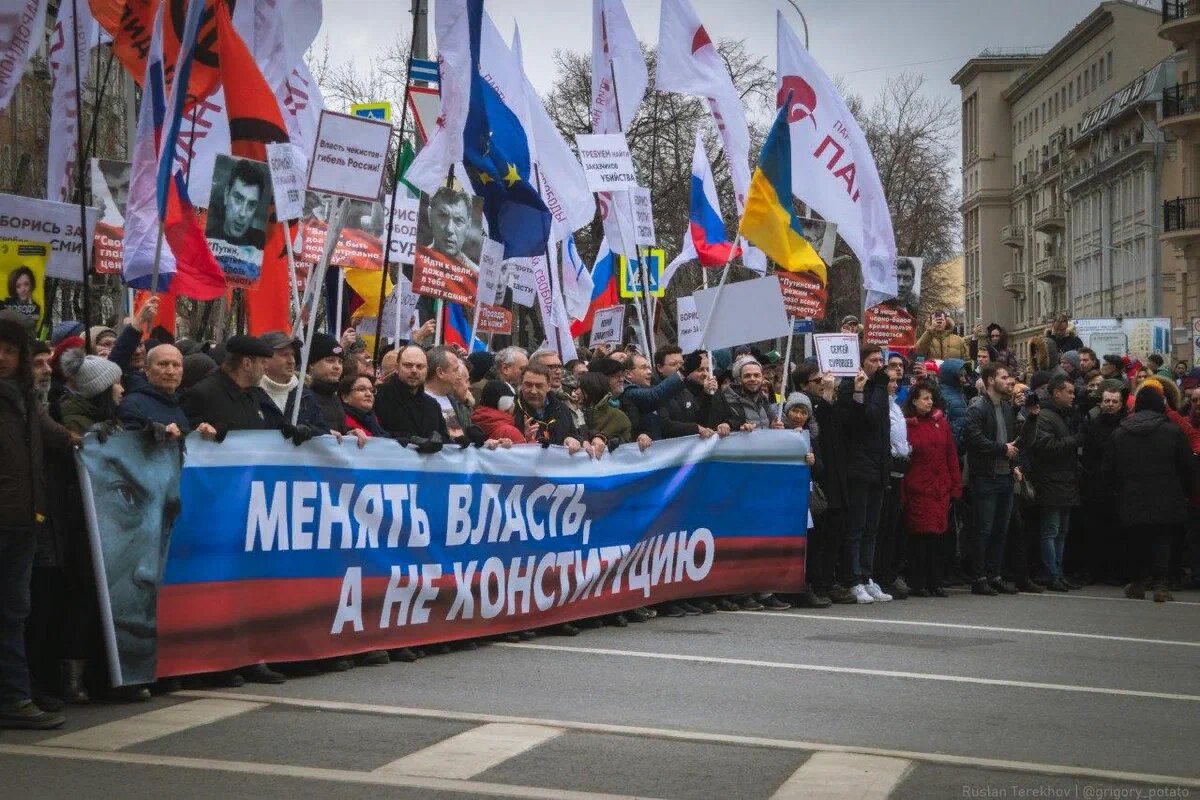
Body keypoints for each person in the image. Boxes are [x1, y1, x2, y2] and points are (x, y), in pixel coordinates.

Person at [0, 313, 73, 730]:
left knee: (13, 614)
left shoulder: (26, 399)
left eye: (11, 350)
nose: (2, 357)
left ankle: (14, 696)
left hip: (23, 524)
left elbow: (57, 435)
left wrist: (96, 439)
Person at [1104, 384, 1192, 603]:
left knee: (1135, 539)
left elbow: (1108, 469)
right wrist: (1186, 492)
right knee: (1162, 539)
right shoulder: (1173, 431)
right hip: (1167, 495)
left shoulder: (1120, 433)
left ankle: (1136, 582)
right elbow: (1186, 467)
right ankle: (1161, 584)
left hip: (1130, 495)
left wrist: (1115, 492)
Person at [837, 345, 893, 603]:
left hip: (878, 465)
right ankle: (854, 579)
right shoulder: (852, 388)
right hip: (859, 467)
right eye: (873, 360)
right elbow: (868, 418)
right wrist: (877, 387)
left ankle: (868, 576)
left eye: (880, 360)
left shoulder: (879, 390)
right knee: (857, 528)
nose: (879, 365)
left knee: (872, 528)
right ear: (861, 363)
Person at [962, 363, 1022, 595]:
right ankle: (979, 577)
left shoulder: (1006, 407)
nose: (1009, 381)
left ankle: (994, 575)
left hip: (1005, 476)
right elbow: (973, 439)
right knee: (983, 529)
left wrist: (1015, 464)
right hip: (985, 477)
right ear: (989, 380)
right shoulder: (977, 406)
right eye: (1004, 377)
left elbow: (1013, 442)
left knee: (1000, 529)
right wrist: (1001, 449)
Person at [902, 384, 961, 597]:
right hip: (918, 487)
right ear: (914, 401)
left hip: (940, 488)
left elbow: (950, 454)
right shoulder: (908, 425)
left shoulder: (940, 423)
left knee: (938, 538)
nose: (929, 402)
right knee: (920, 537)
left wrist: (955, 484)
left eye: (931, 399)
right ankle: (919, 582)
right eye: (925, 398)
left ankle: (936, 581)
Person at [1029, 373, 1082, 592]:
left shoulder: (1062, 415)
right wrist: (1074, 440)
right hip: (1051, 481)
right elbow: (1045, 447)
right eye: (1069, 392)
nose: (1072, 396)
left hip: (1064, 481)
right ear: (1056, 392)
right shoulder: (1046, 416)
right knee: (1051, 530)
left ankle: (1058, 571)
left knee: (1061, 531)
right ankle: (1051, 572)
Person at [180, 335, 274, 438]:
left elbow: (267, 425)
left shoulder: (255, 394)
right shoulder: (202, 394)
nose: (266, 368)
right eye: (263, 362)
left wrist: (283, 431)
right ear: (247, 364)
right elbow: (184, 437)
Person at [1079, 386, 1126, 585]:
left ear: (1121, 404)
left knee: (1117, 532)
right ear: (1101, 402)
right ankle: (1095, 571)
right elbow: (1087, 455)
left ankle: (1115, 572)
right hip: (1096, 485)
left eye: (1114, 401)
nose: (1110, 405)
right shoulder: (1092, 425)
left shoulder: (1126, 426)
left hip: (1118, 486)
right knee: (1095, 531)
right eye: (1107, 401)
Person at [374, 344, 448, 441]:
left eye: (420, 366)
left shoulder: (432, 406)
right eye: (408, 365)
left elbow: (444, 439)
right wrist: (410, 439)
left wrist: (459, 443)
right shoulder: (378, 397)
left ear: (427, 370)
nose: (414, 370)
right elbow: (374, 434)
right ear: (397, 368)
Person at [117, 344, 190, 435]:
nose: (171, 372)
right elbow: (128, 443)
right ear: (147, 370)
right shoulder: (132, 404)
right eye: (163, 364)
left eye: (176, 365)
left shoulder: (179, 404)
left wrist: (197, 437)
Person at [512, 362, 585, 451]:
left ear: (549, 386)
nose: (533, 391)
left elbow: (574, 434)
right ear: (521, 384)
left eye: (539, 386)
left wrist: (570, 439)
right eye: (528, 385)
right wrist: (523, 438)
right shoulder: (512, 409)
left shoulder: (561, 408)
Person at [659, 350, 726, 440]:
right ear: (660, 368)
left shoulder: (685, 392)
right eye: (673, 364)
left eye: (708, 369)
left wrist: (727, 424)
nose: (705, 373)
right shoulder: (657, 392)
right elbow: (664, 425)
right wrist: (695, 428)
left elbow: (700, 421)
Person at [716, 356, 781, 431]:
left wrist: (775, 425)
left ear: (762, 378)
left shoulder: (764, 400)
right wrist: (737, 428)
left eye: (756, 375)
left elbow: (773, 422)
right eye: (747, 376)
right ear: (740, 380)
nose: (752, 379)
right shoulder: (727, 401)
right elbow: (723, 426)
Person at [216, 158, 266, 248]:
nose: (242, 213)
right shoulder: (205, 239)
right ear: (226, 195)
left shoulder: (262, 243)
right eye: (238, 199)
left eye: (251, 204)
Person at [426, 187, 477, 271]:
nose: (450, 229)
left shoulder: (476, 275)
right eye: (443, 216)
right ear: (429, 215)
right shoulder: (413, 264)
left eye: (459, 220)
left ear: (468, 225)